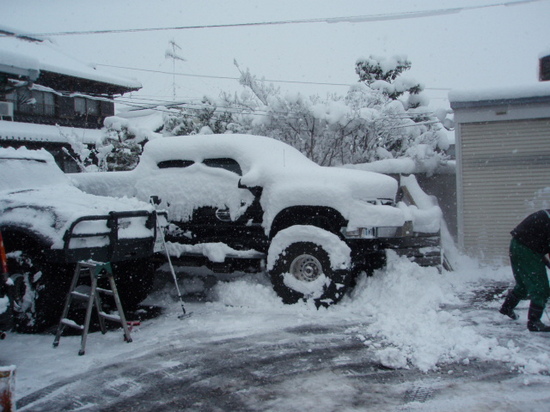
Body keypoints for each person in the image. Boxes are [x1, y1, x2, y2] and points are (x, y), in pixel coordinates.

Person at [499, 209, 550, 332]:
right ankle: (534, 322)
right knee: (540, 288)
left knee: (523, 284)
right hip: (526, 249)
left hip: (517, 245)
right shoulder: (546, 218)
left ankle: (507, 308)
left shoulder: (546, 216)